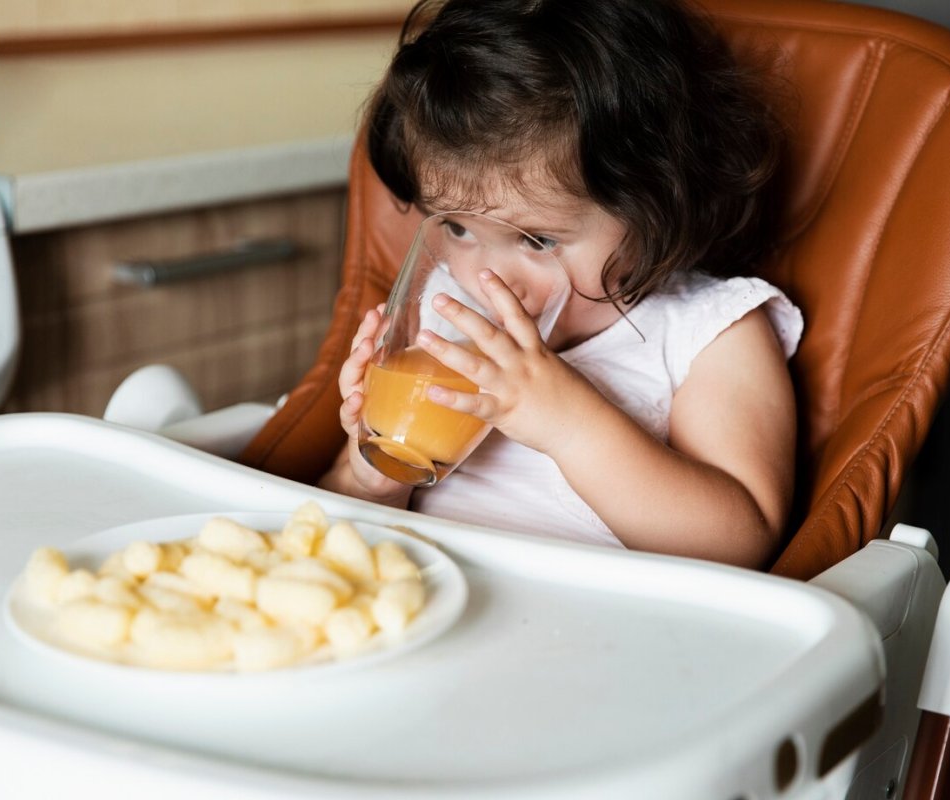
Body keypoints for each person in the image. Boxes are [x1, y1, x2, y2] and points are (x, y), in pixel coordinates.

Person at [321, 0, 802, 569]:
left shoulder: (708, 333)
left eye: (538, 240)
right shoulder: (444, 307)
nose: (487, 279)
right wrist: (370, 474)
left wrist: (568, 425)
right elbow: (338, 524)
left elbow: (741, 544)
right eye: (456, 228)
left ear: (656, 208)